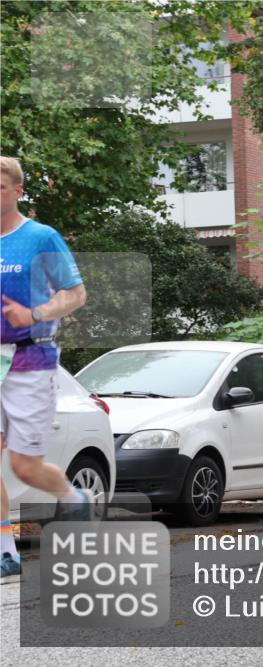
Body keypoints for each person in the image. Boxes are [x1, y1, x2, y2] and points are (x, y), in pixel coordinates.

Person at [1, 155, 92, 579]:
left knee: (24, 466)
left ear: (17, 190)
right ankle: (6, 551)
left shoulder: (40, 237)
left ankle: (73, 498)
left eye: (0, 186)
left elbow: (75, 294)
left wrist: (35, 313)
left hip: (30, 360)